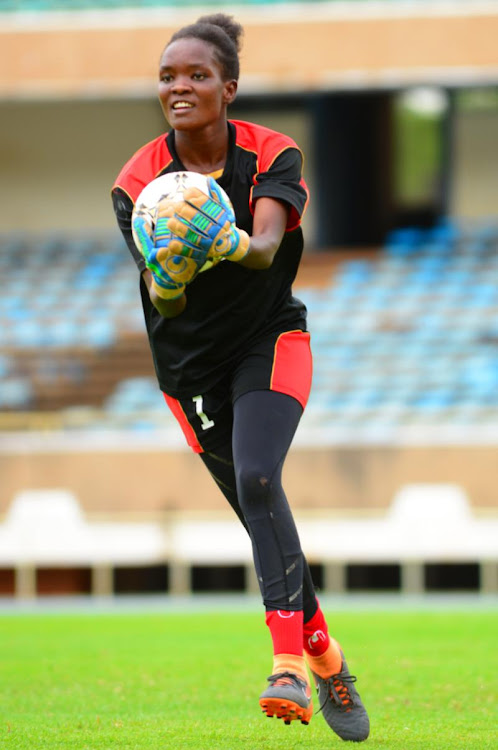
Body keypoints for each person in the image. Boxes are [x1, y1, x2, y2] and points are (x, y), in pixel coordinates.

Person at [111, 13, 369, 741]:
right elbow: (163, 296)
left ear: (229, 87)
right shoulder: (137, 182)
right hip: (187, 369)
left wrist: (212, 235)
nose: (180, 86)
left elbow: (261, 248)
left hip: (268, 339)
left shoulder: (271, 153)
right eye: (168, 76)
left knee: (259, 481)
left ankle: (287, 665)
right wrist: (168, 271)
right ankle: (327, 655)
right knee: (261, 514)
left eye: (196, 75)